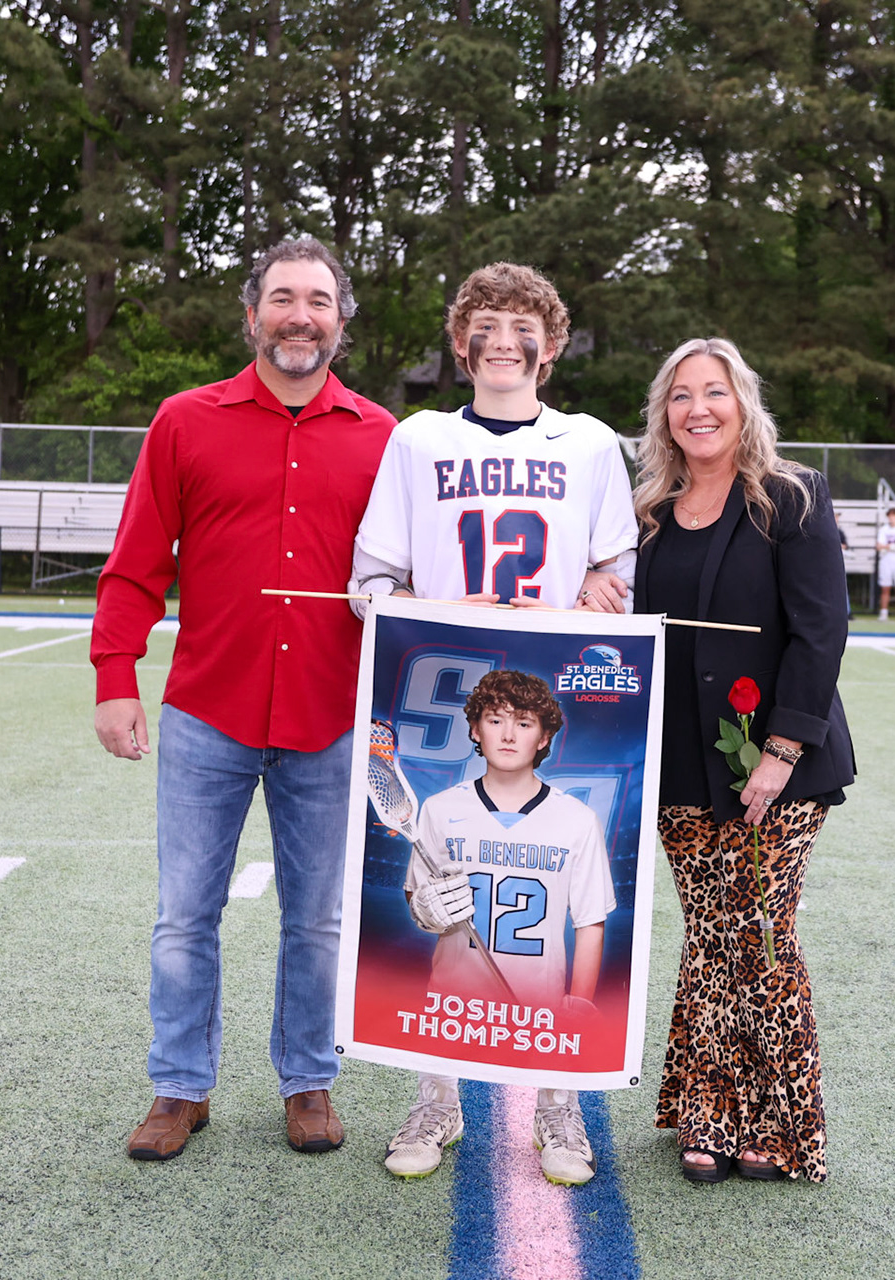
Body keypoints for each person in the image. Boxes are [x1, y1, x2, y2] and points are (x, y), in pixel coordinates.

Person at [91, 236, 397, 1163]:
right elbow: (137, 561)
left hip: (330, 720)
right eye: (281, 298)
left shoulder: (387, 437)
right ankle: (179, 1088)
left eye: (317, 300)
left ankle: (308, 1083)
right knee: (186, 913)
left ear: (342, 321)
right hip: (207, 714)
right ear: (253, 312)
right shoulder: (186, 420)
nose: (299, 316)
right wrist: (115, 676)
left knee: (318, 919)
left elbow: (423, 574)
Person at [349, 261, 637, 1187]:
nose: (503, 341)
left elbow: (618, 578)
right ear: (460, 341)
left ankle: (559, 1105)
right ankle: (436, 1098)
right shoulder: (418, 438)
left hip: (550, 690)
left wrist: (604, 592)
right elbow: (369, 587)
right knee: (443, 902)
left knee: (547, 910)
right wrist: (429, 604)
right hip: (442, 692)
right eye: (485, 323)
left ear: (550, 348)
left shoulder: (591, 444)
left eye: (523, 327)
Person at [632, 336, 855, 1184]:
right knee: (710, 935)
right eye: (681, 395)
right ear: (665, 415)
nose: (698, 408)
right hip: (681, 767)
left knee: (759, 934)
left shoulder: (790, 498)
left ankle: (778, 1124)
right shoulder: (650, 512)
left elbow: (821, 630)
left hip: (777, 766)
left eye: (714, 391)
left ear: (742, 401)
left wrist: (781, 751)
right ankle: (703, 1114)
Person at [399, 671, 615, 1186]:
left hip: (540, 992)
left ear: (544, 737)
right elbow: (416, 900)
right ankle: (439, 1108)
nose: (509, 733)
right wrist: (425, 910)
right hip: (455, 992)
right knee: (442, 1044)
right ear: (475, 729)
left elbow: (589, 923)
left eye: (524, 722)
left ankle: (556, 1111)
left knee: (552, 1057)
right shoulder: (440, 810)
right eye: (495, 720)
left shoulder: (575, 819)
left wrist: (580, 1003)